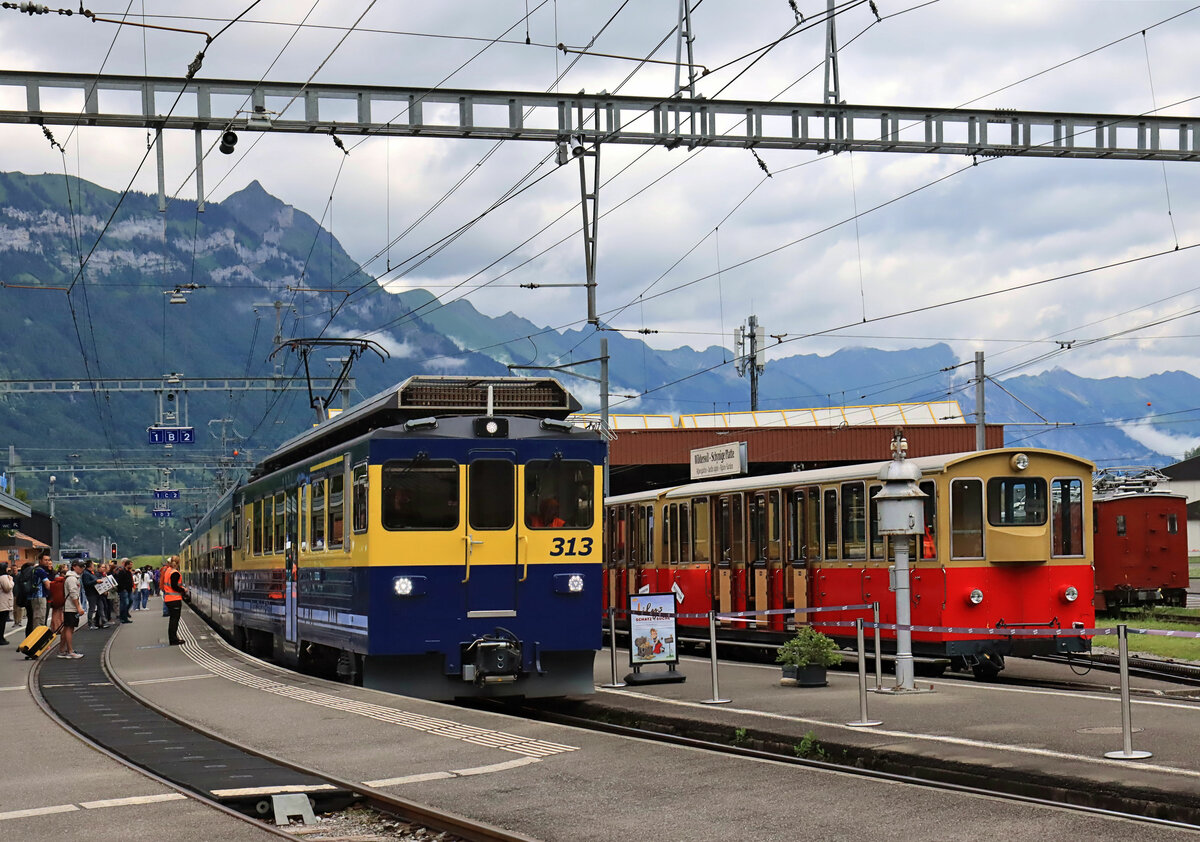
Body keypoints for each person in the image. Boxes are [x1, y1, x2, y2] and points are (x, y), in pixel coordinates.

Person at [57, 560, 84, 659]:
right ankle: (70, 651)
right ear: (74, 567)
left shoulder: (71, 578)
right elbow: (73, 594)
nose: (82, 568)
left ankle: (62, 650)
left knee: (66, 629)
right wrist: (78, 608)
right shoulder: (72, 579)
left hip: (68, 607)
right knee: (69, 629)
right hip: (70, 607)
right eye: (80, 566)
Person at [160, 555, 189, 646]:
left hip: (168, 599)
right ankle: (173, 639)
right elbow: (174, 586)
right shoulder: (175, 573)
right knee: (174, 620)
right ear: (178, 562)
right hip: (174, 599)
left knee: (173, 619)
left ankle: (173, 638)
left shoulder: (168, 571)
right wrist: (183, 590)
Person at [25, 551, 51, 638]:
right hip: (40, 596)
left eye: (48, 560)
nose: (47, 562)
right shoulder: (41, 571)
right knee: (40, 619)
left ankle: (34, 639)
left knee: (35, 618)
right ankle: (38, 640)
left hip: (32, 596)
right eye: (45, 560)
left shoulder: (34, 570)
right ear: (40, 560)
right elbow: (47, 585)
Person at [81, 561, 102, 629]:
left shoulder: (91, 573)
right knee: (92, 608)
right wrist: (95, 581)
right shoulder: (86, 574)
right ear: (90, 566)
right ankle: (90, 624)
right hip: (91, 593)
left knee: (100, 607)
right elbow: (87, 583)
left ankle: (99, 621)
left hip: (96, 592)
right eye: (93, 565)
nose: (94, 566)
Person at [114, 558, 134, 623]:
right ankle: (123, 617)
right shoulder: (122, 571)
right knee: (124, 603)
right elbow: (119, 581)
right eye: (130, 565)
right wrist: (123, 588)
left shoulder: (128, 571)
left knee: (130, 600)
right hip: (123, 590)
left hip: (129, 589)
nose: (131, 566)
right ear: (127, 565)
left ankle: (125, 613)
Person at [0, 563, 12, 645]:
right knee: (2, 621)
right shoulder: (3, 577)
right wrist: (11, 580)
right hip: (3, 602)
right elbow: (7, 588)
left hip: (1, 601)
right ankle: (1, 638)